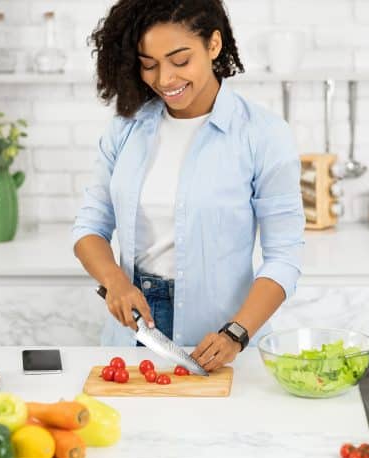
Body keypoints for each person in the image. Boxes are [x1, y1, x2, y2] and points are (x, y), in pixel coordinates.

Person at [72, 0, 304, 372]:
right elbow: (89, 227)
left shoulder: (263, 135)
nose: (164, 79)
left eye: (180, 61)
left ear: (214, 45)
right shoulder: (126, 128)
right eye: (149, 64)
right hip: (132, 336)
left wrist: (237, 333)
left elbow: (285, 258)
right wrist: (114, 281)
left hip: (222, 342)